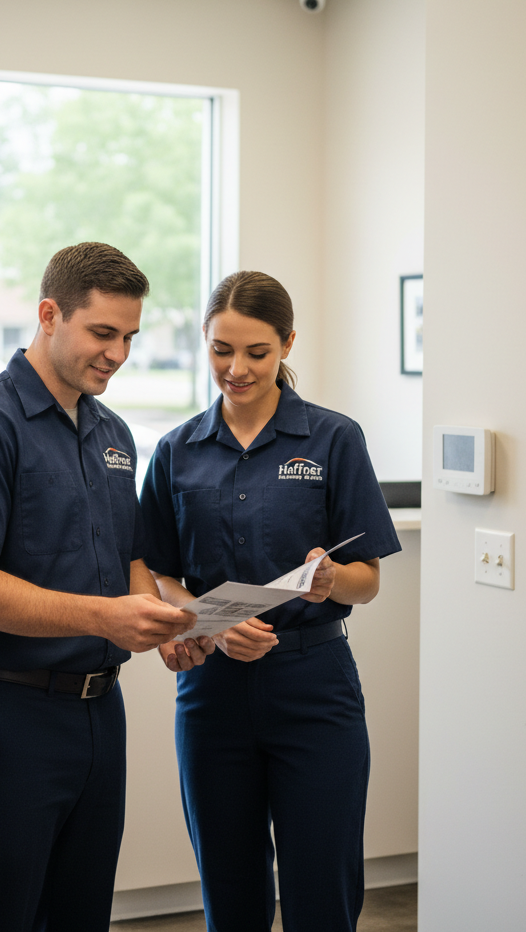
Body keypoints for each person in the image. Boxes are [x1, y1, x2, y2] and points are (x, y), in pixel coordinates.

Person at [0, 242, 202, 932]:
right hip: (6, 714)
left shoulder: (114, 434)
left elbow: (130, 558)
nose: (118, 354)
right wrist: (107, 617)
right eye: (102, 333)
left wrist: (169, 623)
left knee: (80, 915)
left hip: (98, 714)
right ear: (49, 315)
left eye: (130, 338)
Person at [140, 270, 402, 932]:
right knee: (229, 886)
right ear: (203, 340)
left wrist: (330, 578)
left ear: (286, 344)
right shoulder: (175, 452)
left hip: (315, 687)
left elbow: (367, 578)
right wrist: (209, 621)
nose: (237, 368)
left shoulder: (333, 439)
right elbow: (158, 574)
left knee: (323, 883)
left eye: (257, 352)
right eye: (221, 349)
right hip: (213, 694)